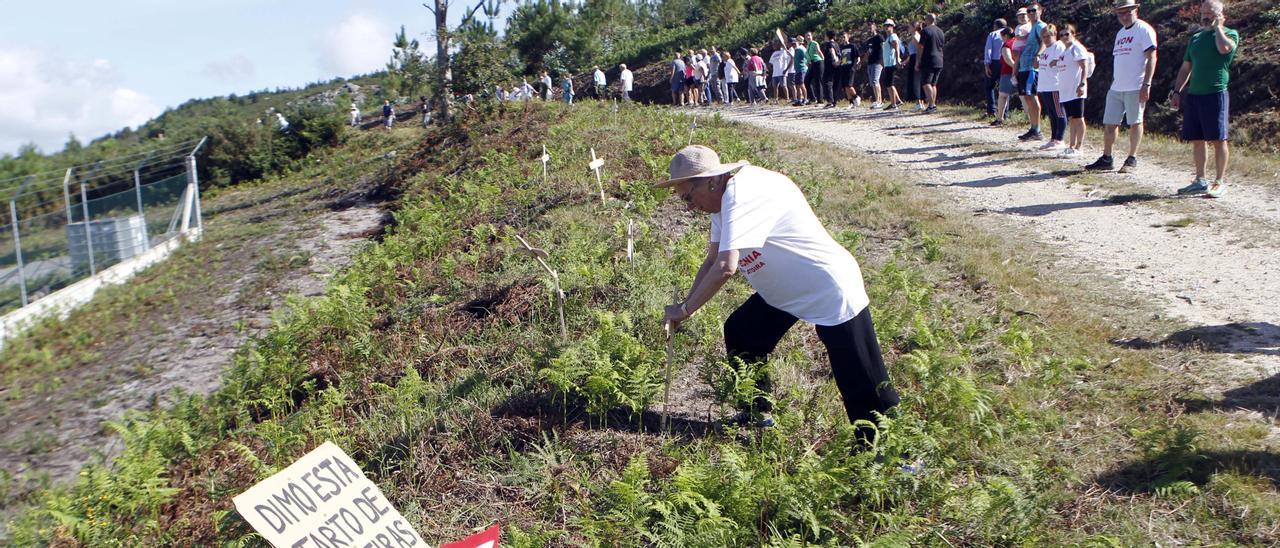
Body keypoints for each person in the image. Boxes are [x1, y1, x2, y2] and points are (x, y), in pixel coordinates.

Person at [658, 145, 901, 440]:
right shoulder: (721, 202)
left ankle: (893, 453)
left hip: (827, 288)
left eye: (688, 197)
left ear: (710, 180)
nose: (688, 206)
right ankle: (757, 411)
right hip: (786, 292)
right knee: (743, 332)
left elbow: (725, 267)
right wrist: (684, 304)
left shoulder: (742, 194)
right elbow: (710, 260)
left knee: (862, 379)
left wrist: (685, 311)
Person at [1172, 0, 1238, 198]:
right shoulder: (1196, 38)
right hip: (1195, 94)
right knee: (1197, 139)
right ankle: (1200, 180)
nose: (1205, 16)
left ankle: (1219, 181)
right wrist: (1177, 92)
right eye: (1203, 13)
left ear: (1220, 14)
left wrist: (1218, 28)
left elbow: (1224, 49)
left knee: (1218, 139)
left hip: (1215, 93)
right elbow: (1186, 68)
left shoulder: (1230, 33)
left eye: (1210, 12)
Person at [1086, 0, 1158, 173]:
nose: (1124, 16)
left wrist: (1146, 83)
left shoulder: (1144, 29)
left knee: (1135, 121)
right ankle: (1107, 157)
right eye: (1120, 13)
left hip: (1136, 85)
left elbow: (1152, 57)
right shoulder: (1120, 33)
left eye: (1127, 12)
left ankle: (1132, 158)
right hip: (1117, 86)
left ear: (1136, 10)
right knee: (1110, 123)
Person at [1053, 24, 1092, 157]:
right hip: (1066, 90)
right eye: (1062, 35)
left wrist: (1082, 83)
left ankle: (1079, 147)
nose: (1064, 37)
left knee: (1078, 118)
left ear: (1073, 34)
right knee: (1071, 118)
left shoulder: (1077, 47)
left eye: (1067, 34)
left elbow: (1084, 65)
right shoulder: (1065, 50)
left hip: (1076, 89)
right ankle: (1071, 145)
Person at [1013, 3, 1048, 140]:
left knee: (1032, 96)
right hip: (1024, 66)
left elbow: (1045, 41)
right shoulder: (1032, 27)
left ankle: (1037, 129)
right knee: (1027, 97)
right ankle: (1033, 128)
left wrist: (1038, 55)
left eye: (1034, 10)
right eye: (1029, 11)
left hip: (1031, 67)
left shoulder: (1040, 25)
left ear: (1040, 11)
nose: (1031, 13)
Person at [1035, 24, 1067, 151]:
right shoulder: (1045, 50)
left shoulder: (1058, 46)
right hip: (1044, 85)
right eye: (1043, 37)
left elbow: (1063, 60)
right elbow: (1038, 65)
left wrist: (1057, 61)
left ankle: (1060, 139)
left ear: (1054, 35)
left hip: (1055, 85)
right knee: (1051, 114)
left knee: (1059, 112)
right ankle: (1053, 138)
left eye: (1048, 36)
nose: (1046, 39)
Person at [917, 13, 945, 112]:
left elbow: (921, 47)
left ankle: (932, 105)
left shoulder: (925, 31)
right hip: (939, 59)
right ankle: (932, 105)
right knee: (933, 84)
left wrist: (918, 61)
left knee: (925, 82)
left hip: (928, 59)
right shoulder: (941, 31)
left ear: (927, 20)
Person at [992, 26, 1018, 126]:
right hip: (1022, 71)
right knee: (1024, 96)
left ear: (1006, 36)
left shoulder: (1007, 44)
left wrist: (1015, 68)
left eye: (1002, 37)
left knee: (1003, 95)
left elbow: (1007, 58)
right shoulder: (1018, 42)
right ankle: (1029, 119)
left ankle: (1000, 118)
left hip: (1008, 72)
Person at [984, 18, 1008, 117]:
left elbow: (988, 49)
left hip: (995, 62)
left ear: (995, 25)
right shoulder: (1009, 33)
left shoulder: (992, 34)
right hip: (1006, 61)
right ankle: (1005, 113)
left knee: (989, 86)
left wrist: (987, 64)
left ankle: (991, 110)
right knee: (1005, 88)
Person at [881, 21, 903, 110]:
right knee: (890, 84)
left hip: (891, 63)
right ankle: (897, 101)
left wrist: (898, 59)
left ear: (892, 26)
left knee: (890, 84)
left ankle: (894, 103)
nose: (887, 27)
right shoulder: (888, 37)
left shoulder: (893, 36)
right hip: (887, 63)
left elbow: (896, 47)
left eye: (889, 25)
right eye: (885, 25)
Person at [863, 22, 885, 108]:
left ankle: (879, 101)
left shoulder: (879, 37)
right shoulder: (869, 40)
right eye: (868, 28)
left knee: (876, 81)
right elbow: (868, 52)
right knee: (872, 82)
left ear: (875, 28)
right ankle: (877, 100)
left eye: (871, 27)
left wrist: (883, 60)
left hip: (878, 62)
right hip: (870, 63)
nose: (869, 29)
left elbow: (883, 47)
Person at [839, 30, 862, 108]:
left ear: (848, 37)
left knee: (849, 85)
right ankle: (851, 103)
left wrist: (858, 62)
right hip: (843, 68)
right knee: (845, 87)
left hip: (850, 68)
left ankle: (856, 97)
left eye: (844, 37)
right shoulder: (841, 47)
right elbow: (840, 58)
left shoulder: (852, 46)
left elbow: (857, 56)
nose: (843, 39)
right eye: (841, 37)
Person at [805, 32, 826, 106]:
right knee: (807, 80)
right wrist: (807, 62)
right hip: (812, 64)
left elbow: (819, 52)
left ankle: (820, 100)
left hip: (818, 62)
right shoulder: (807, 46)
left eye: (809, 35)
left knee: (818, 81)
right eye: (807, 36)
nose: (808, 37)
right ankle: (812, 98)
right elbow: (808, 55)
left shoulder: (814, 43)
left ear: (812, 36)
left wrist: (823, 60)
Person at [769, 40, 792, 104]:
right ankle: (776, 100)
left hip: (782, 72)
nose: (774, 46)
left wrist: (786, 69)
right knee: (775, 86)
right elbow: (770, 63)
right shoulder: (774, 53)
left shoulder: (784, 51)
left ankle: (787, 98)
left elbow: (790, 59)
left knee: (784, 86)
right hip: (775, 73)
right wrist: (770, 68)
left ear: (779, 45)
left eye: (775, 44)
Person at [791, 37, 810, 105]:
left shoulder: (802, 49)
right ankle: (799, 99)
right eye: (792, 44)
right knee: (797, 85)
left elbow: (807, 57)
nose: (793, 45)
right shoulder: (796, 50)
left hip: (802, 69)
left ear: (798, 43)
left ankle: (805, 99)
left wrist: (807, 64)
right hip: (797, 70)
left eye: (795, 43)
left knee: (801, 84)